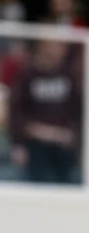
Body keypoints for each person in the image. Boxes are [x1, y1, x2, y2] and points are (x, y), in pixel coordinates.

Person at [7, 40, 82, 184]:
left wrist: (72, 135)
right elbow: (16, 110)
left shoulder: (70, 76)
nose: (60, 51)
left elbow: (77, 109)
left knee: (65, 187)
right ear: (43, 48)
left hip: (63, 143)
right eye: (55, 46)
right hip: (35, 143)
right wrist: (19, 142)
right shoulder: (27, 75)